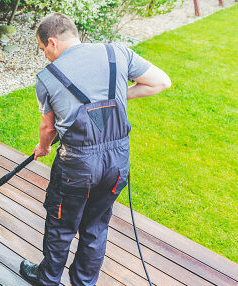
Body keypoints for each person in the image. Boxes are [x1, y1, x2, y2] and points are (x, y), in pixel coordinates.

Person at [19, 13, 171, 286]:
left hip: (76, 166)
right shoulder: (118, 53)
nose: (45, 56)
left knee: (61, 225)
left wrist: (42, 148)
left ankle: (47, 279)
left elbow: (48, 128)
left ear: (52, 42)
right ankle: (84, 283)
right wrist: (115, 97)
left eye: (43, 50)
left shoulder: (47, 77)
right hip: (116, 163)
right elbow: (161, 82)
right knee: (96, 225)